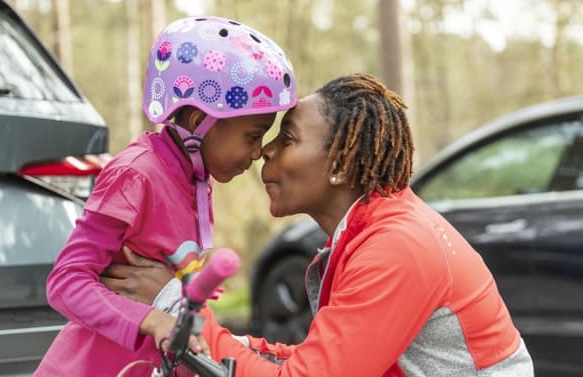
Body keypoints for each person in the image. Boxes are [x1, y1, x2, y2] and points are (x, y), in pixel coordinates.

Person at [103, 73, 535, 377]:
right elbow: (323, 361)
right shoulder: (372, 229)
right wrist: (240, 343)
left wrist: (174, 305)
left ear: (342, 164)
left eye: (287, 138)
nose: (264, 151)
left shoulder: (398, 247)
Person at [33, 15, 297, 377]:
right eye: (252, 135)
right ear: (196, 120)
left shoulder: (194, 179)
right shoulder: (136, 175)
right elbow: (66, 282)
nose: (257, 153)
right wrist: (155, 320)